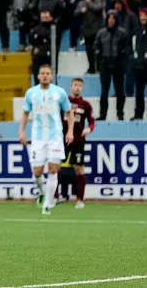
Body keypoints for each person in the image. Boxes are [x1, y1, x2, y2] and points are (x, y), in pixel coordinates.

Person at [19, 64, 74, 215]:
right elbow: (25, 113)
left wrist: (70, 131)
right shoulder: (31, 93)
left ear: (51, 76)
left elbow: (69, 112)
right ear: (38, 76)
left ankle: (47, 205)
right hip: (37, 138)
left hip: (55, 137)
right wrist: (21, 131)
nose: (45, 76)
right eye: (42, 73)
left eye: (48, 73)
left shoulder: (59, 92)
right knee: (37, 172)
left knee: (52, 169)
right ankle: (42, 192)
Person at [61, 78, 95, 209]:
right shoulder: (63, 102)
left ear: (82, 88)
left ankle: (80, 199)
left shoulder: (85, 105)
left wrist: (89, 129)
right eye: (75, 85)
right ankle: (57, 196)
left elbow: (92, 121)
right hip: (63, 140)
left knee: (79, 169)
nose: (77, 87)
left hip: (78, 141)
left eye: (80, 85)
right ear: (71, 87)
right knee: (56, 167)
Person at [95, 11, 127, 121]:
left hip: (118, 65)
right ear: (107, 19)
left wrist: (123, 61)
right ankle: (102, 114)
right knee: (104, 91)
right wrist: (99, 63)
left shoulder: (122, 33)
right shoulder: (101, 33)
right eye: (109, 18)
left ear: (116, 19)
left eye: (113, 18)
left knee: (120, 91)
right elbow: (96, 47)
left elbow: (126, 49)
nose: (111, 20)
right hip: (105, 65)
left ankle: (120, 114)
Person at [74, 0, 103, 74]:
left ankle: (99, 67)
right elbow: (75, 13)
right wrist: (80, 11)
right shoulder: (81, 2)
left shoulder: (97, 0)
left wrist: (88, 3)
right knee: (89, 50)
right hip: (86, 30)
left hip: (97, 29)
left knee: (98, 50)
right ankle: (91, 68)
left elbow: (98, 8)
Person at [29, 10, 55, 85]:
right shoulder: (35, 28)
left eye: (46, 17)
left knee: (50, 80)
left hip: (49, 58)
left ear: (51, 17)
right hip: (37, 58)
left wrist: (41, 37)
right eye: (42, 18)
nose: (44, 19)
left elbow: (50, 39)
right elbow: (31, 40)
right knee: (37, 80)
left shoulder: (54, 28)